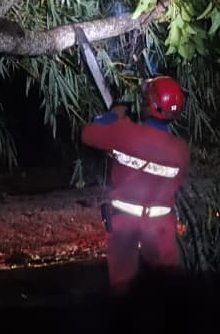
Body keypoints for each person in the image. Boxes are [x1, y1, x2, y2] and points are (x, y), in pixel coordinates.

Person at [81, 75, 191, 296]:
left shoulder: (125, 132)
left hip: (124, 223)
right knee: (170, 290)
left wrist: (115, 114)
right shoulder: (181, 150)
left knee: (123, 288)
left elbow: (88, 134)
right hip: (160, 226)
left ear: (149, 105)